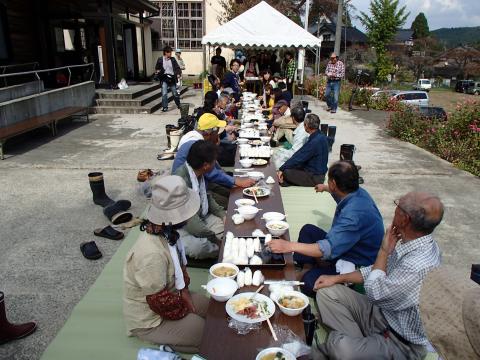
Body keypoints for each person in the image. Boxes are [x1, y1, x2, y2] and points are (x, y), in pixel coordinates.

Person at [311, 192, 444, 360]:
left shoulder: (418, 264)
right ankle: (361, 347)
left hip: (400, 342)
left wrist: (383, 251)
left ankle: (351, 347)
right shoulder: (411, 241)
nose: (395, 208)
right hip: (380, 314)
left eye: (398, 205)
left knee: (340, 349)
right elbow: (376, 271)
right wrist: (336, 279)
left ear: (405, 219)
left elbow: (375, 292)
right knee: (326, 292)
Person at [270, 161, 384, 296]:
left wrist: (288, 246)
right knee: (308, 230)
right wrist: (325, 188)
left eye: (329, 180)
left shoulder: (354, 217)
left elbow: (327, 247)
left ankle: (332, 277)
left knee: (309, 282)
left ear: (334, 183)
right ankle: (309, 266)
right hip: (346, 245)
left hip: (354, 261)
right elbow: (338, 193)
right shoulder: (357, 192)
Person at [123, 175, 209, 353]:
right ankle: (162, 341)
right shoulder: (150, 254)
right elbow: (159, 301)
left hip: (172, 293)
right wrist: (186, 308)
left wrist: (184, 292)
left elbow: (180, 269)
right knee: (207, 334)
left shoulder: (168, 233)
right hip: (151, 317)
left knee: (213, 311)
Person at [172, 113, 255, 208]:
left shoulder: (194, 136)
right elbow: (211, 172)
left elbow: (213, 167)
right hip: (187, 190)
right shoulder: (196, 144)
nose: (219, 134)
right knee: (234, 202)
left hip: (201, 180)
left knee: (233, 192)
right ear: (208, 133)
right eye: (217, 131)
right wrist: (235, 181)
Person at [174, 141, 225, 259]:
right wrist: (215, 240)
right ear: (206, 165)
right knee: (199, 248)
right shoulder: (181, 180)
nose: (215, 164)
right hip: (182, 227)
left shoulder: (198, 172)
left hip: (201, 217)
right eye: (214, 161)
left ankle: (217, 244)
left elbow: (207, 197)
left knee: (229, 224)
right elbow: (193, 225)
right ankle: (219, 247)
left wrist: (222, 215)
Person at [276, 114, 329, 187]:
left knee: (286, 172)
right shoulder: (322, 136)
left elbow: (298, 158)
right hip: (318, 173)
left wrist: (282, 168)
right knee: (290, 165)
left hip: (315, 178)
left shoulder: (314, 141)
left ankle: (284, 180)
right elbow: (299, 155)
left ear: (306, 125)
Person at [155, 46, 182, 112]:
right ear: (165, 52)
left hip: (172, 78)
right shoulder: (160, 59)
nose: (170, 54)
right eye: (169, 52)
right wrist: (158, 71)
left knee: (175, 93)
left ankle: (178, 104)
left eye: (171, 52)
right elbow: (157, 67)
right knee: (164, 93)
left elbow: (177, 68)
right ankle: (165, 107)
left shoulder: (172, 59)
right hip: (164, 78)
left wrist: (178, 74)